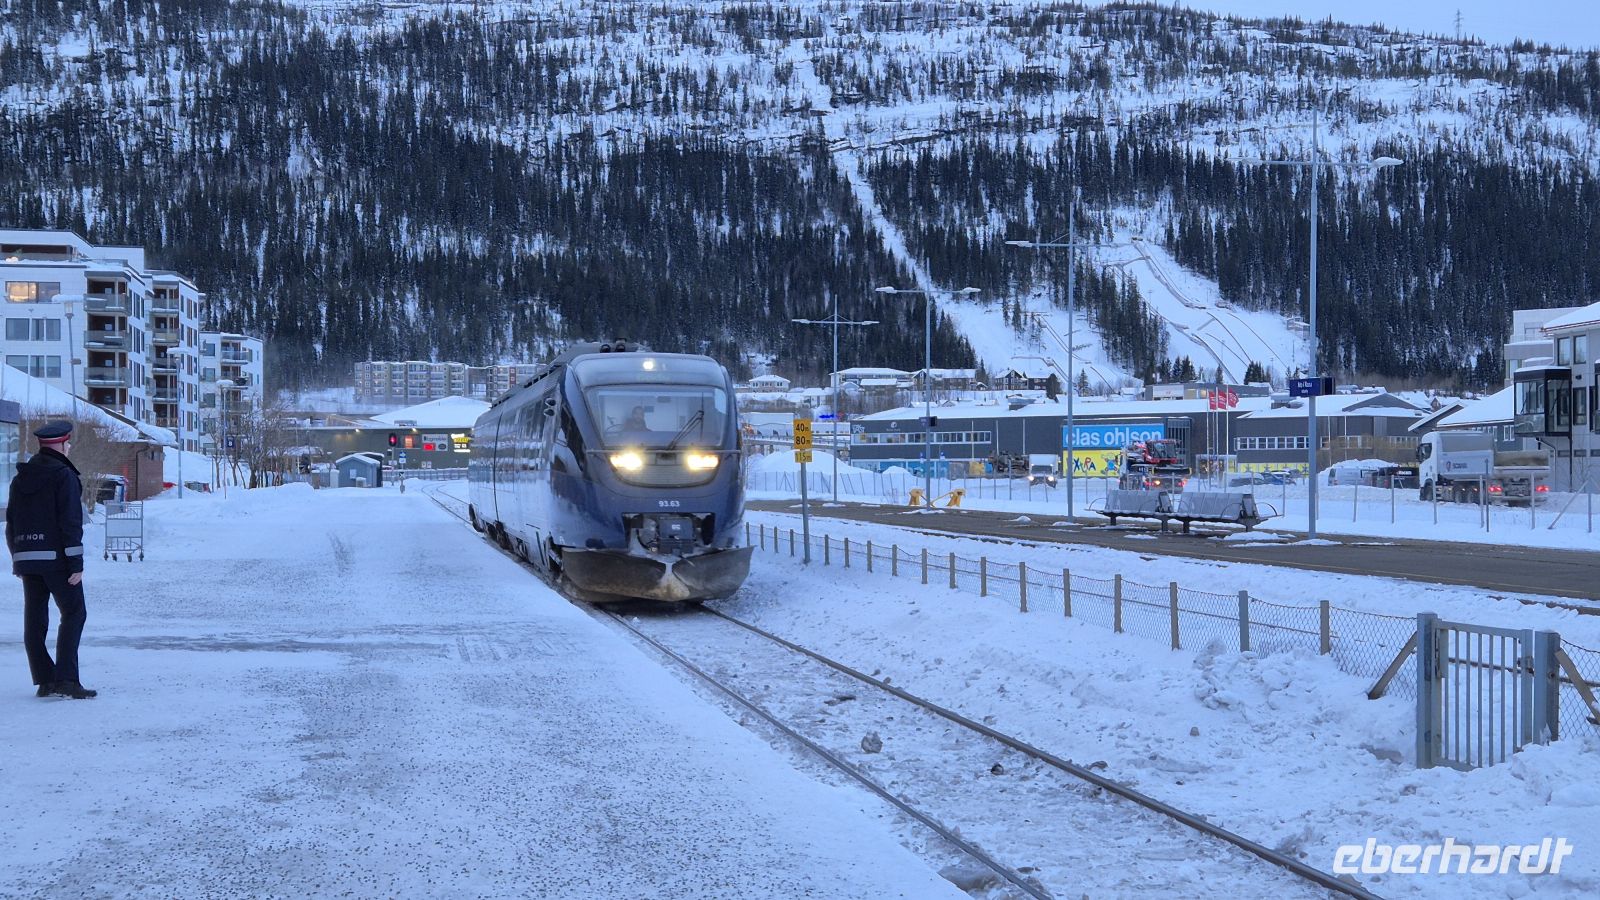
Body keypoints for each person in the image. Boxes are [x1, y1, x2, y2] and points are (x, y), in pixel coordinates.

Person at [7, 420, 95, 699]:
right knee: (74, 613)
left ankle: (45, 680)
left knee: (35, 618)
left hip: (27, 558)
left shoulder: (20, 478)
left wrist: (18, 558)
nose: (69, 447)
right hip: (57, 560)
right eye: (67, 443)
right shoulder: (63, 476)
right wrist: (76, 564)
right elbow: (70, 523)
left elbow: (11, 523)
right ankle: (67, 680)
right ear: (60, 445)